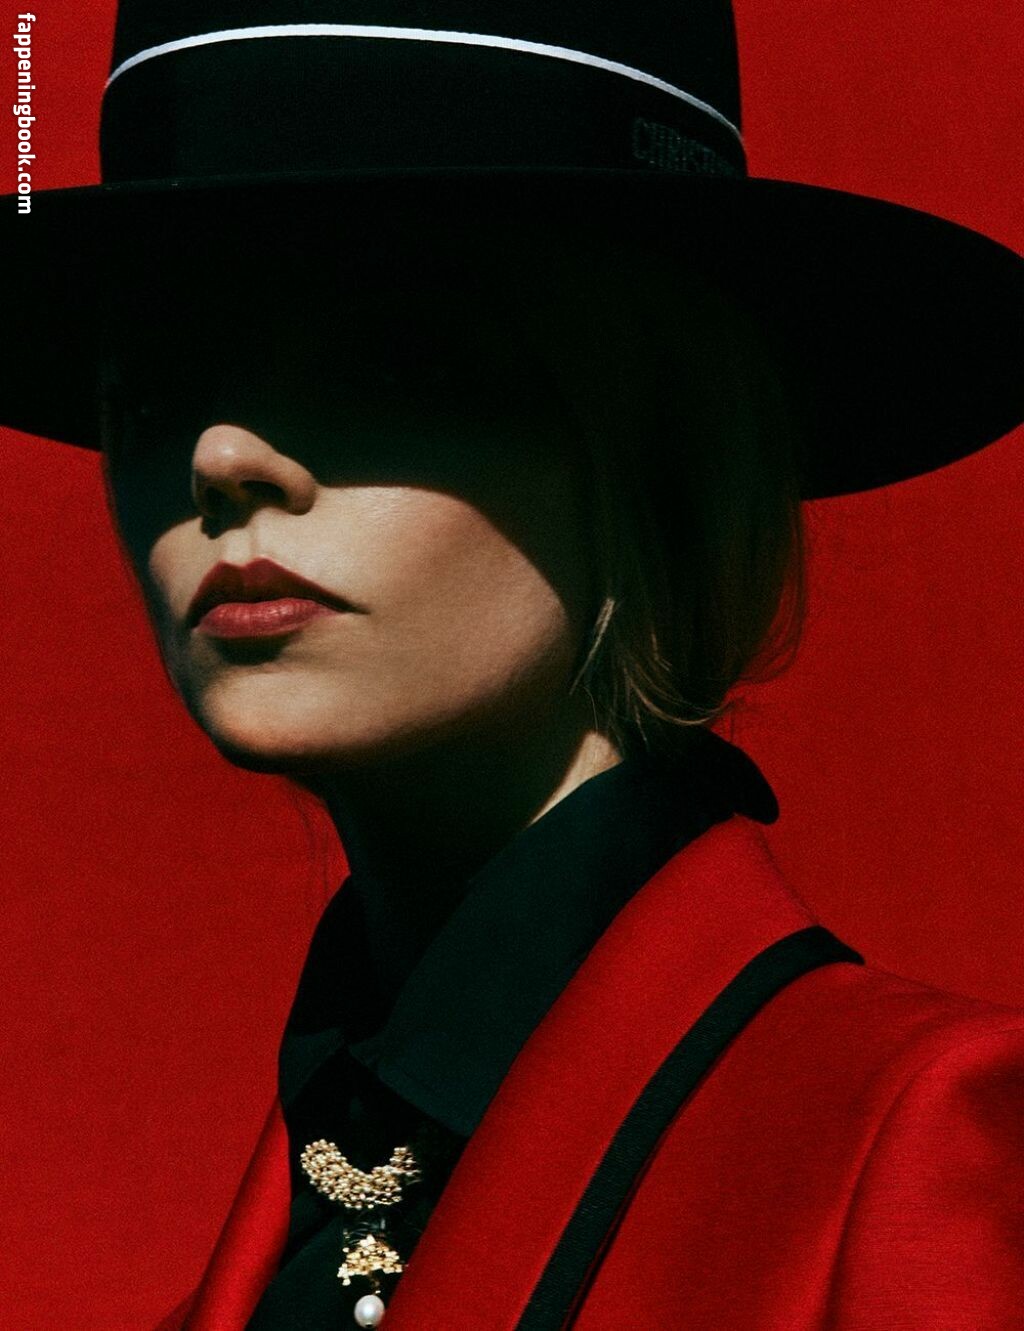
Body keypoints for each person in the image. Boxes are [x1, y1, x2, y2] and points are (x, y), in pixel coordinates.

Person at [3, 3, 1023, 1329]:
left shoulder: (907, 1153)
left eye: (382, 349)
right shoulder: (294, 1235)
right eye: (151, 384)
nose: (221, 457)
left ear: (658, 439)